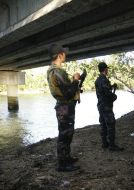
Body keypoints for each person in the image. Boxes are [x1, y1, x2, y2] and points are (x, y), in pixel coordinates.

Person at [47, 44, 81, 172]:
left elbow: (65, 90)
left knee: (67, 133)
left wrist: (74, 82)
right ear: (60, 55)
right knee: (64, 135)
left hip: (63, 106)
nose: (65, 55)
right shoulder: (57, 71)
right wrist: (76, 80)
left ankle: (66, 158)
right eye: (64, 53)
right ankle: (62, 164)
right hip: (64, 107)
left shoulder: (53, 70)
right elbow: (68, 93)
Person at [95, 62, 124, 151]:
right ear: (105, 69)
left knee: (103, 124)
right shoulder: (103, 79)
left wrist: (111, 86)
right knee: (111, 124)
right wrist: (114, 97)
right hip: (106, 106)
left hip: (100, 105)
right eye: (107, 69)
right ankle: (112, 145)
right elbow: (106, 92)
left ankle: (104, 143)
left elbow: (103, 90)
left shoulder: (98, 80)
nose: (107, 70)